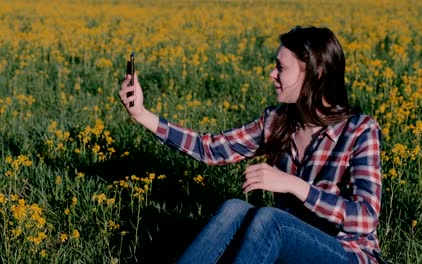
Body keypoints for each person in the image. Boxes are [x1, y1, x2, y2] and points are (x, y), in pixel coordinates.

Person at [119, 25, 385, 264]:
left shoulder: (360, 130)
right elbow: (210, 149)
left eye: (281, 67)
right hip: (290, 248)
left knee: (272, 220)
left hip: (347, 254)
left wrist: (294, 185)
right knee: (234, 208)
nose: (271, 74)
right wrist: (143, 114)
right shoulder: (277, 122)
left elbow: (365, 217)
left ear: (317, 73)